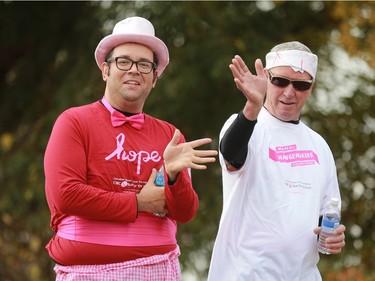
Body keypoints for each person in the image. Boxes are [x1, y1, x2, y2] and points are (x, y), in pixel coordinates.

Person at [44, 16, 218, 280]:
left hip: (158, 269)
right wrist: (139, 202)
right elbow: (66, 194)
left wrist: (172, 177)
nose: (134, 70)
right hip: (86, 273)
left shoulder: (171, 136)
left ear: (154, 78)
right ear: (106, 70)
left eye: (144, 65)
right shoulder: (74, 121)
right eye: (123, 61)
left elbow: (185, 212)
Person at [208, 41, 346, 281]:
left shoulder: (319, 146)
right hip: (245, 275)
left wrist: (333, 236)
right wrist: (252, 106)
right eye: (280, 81)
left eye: (301, 85)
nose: (289, 92)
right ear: (267, 79)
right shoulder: (246, 126)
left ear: (311, 89)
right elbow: (231, 154)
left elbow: (327, 214)